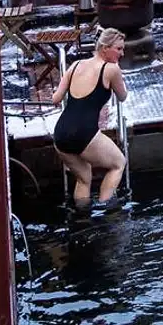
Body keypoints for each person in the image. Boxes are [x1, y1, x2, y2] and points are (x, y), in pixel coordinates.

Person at [51, 28, 129, 209]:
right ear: (104, 48)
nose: (122, 53)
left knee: (84, 177)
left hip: (61, 133)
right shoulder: (111, 69)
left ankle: (81, 219)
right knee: (118, 163)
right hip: (84, 133)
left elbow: (56, 98)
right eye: (118, 49)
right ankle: (106, 211)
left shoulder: (75, 65)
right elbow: (123, 96)